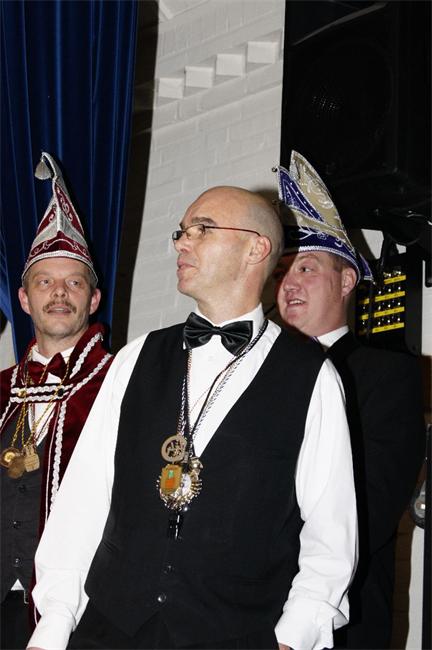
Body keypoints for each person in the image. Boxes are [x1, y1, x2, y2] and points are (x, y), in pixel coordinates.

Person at [28, 185, 357, 650]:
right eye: (182, 232)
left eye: (202, 229)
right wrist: (54, 626)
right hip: (109, 631)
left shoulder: (312, 377)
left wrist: (291, 637)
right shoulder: (135, 358)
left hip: (236, 635)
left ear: (256, 249)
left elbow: (331, 535)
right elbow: (82, 504)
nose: (182, 243)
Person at [274, 151, 426, 649]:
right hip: (247, 618)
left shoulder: (388, 377)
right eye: (281, 272)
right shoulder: (257, 379)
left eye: (306, 268)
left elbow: (368, 512)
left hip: (343, 627)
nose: (289, 283)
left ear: (346, 281)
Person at [0, 152, 113, 649]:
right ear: (25, 299)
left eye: (74, 282)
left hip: (82, 609)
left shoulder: (121, 382)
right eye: (44, 282)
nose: (59, 293)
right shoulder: (1, 388)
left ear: (94, 299)